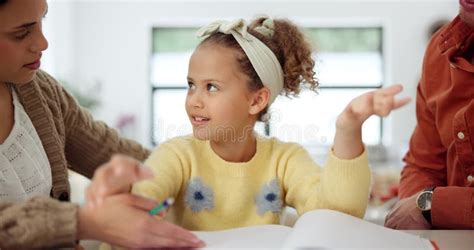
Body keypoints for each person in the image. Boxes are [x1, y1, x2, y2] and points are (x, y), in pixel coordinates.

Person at [131, 16, 410, 231]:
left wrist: (348, 127)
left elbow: (337, 214)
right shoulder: (177, 156)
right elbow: (139, 202)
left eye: (211, 87)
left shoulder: (284, 160)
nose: (194, 100)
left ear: (256, 100)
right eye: (191, 85)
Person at [0, 0, 204, 248]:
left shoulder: (41, 92)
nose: (43, 43)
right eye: (22, 33)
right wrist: (83, 221)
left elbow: (106, 148)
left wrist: (202, 173)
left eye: (43, 20)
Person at [385, 1, 474, 229]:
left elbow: (425, 204)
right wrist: (419, 205)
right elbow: (423, 165)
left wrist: (431, 205)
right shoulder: (439, 51)